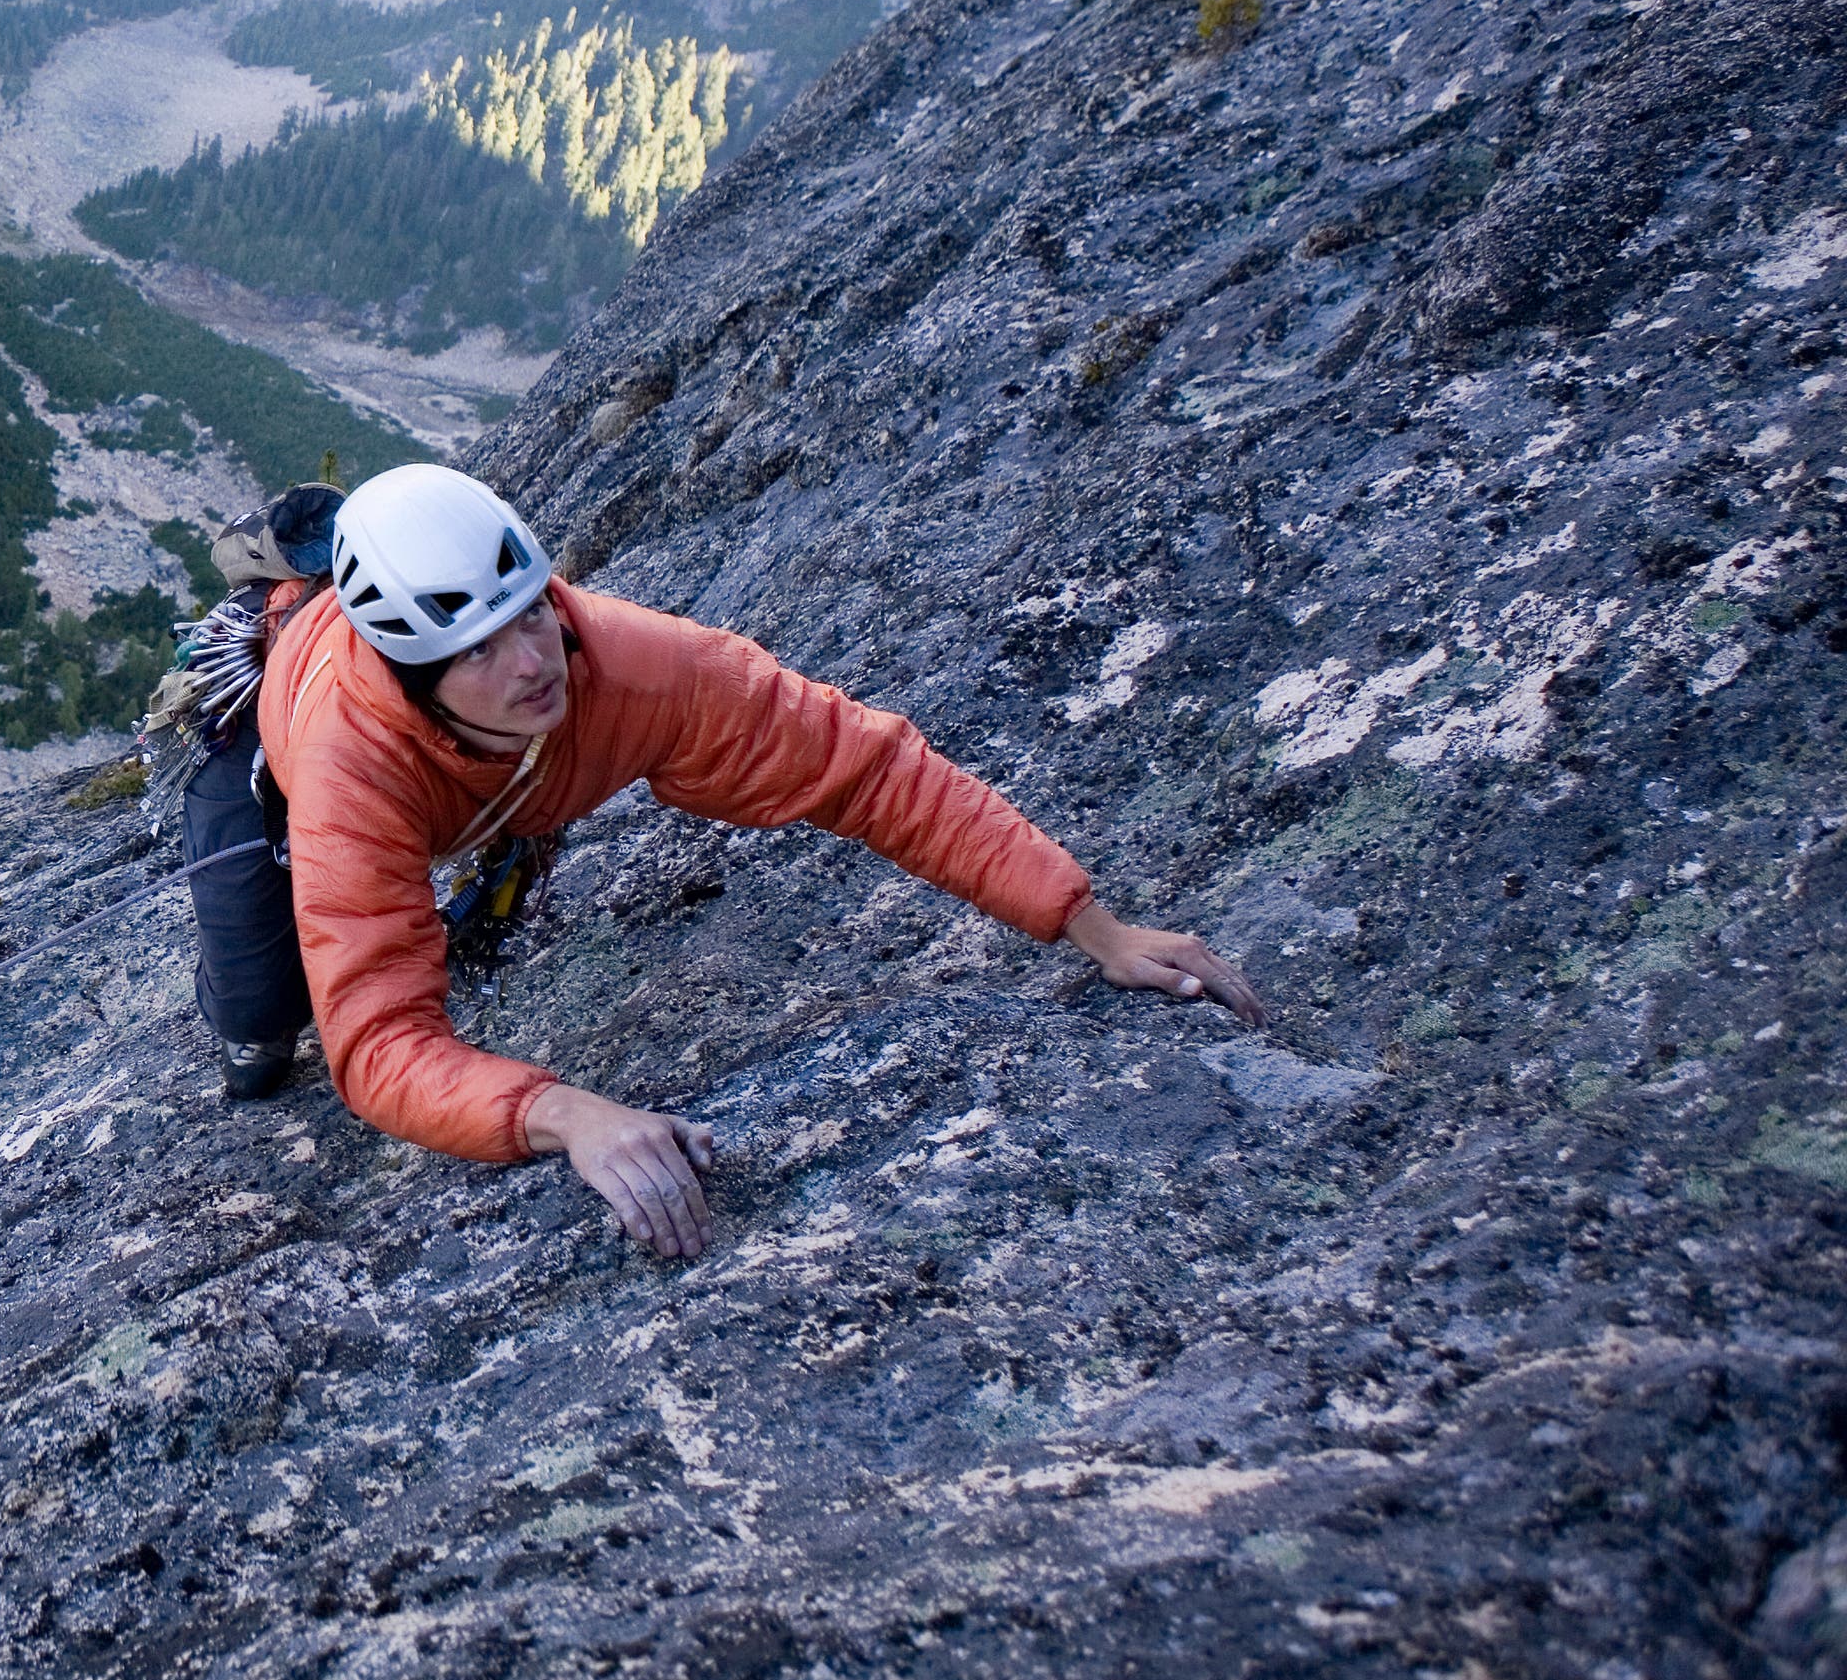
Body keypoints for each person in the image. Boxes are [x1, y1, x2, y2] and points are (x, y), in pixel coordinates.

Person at [187, 462, 1264, 1259]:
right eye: (477, 647)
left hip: (473, 780)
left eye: (530, 617)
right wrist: (566, 1113)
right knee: (262, 1035)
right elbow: (376, 1044)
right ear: (413, 672)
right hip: (274, 727)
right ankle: (288, 602)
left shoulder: (620, 661)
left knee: (507, 821)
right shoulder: (349, 766)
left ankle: (508, 821)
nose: (531, 663)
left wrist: (1090, 925)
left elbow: (870, 769)